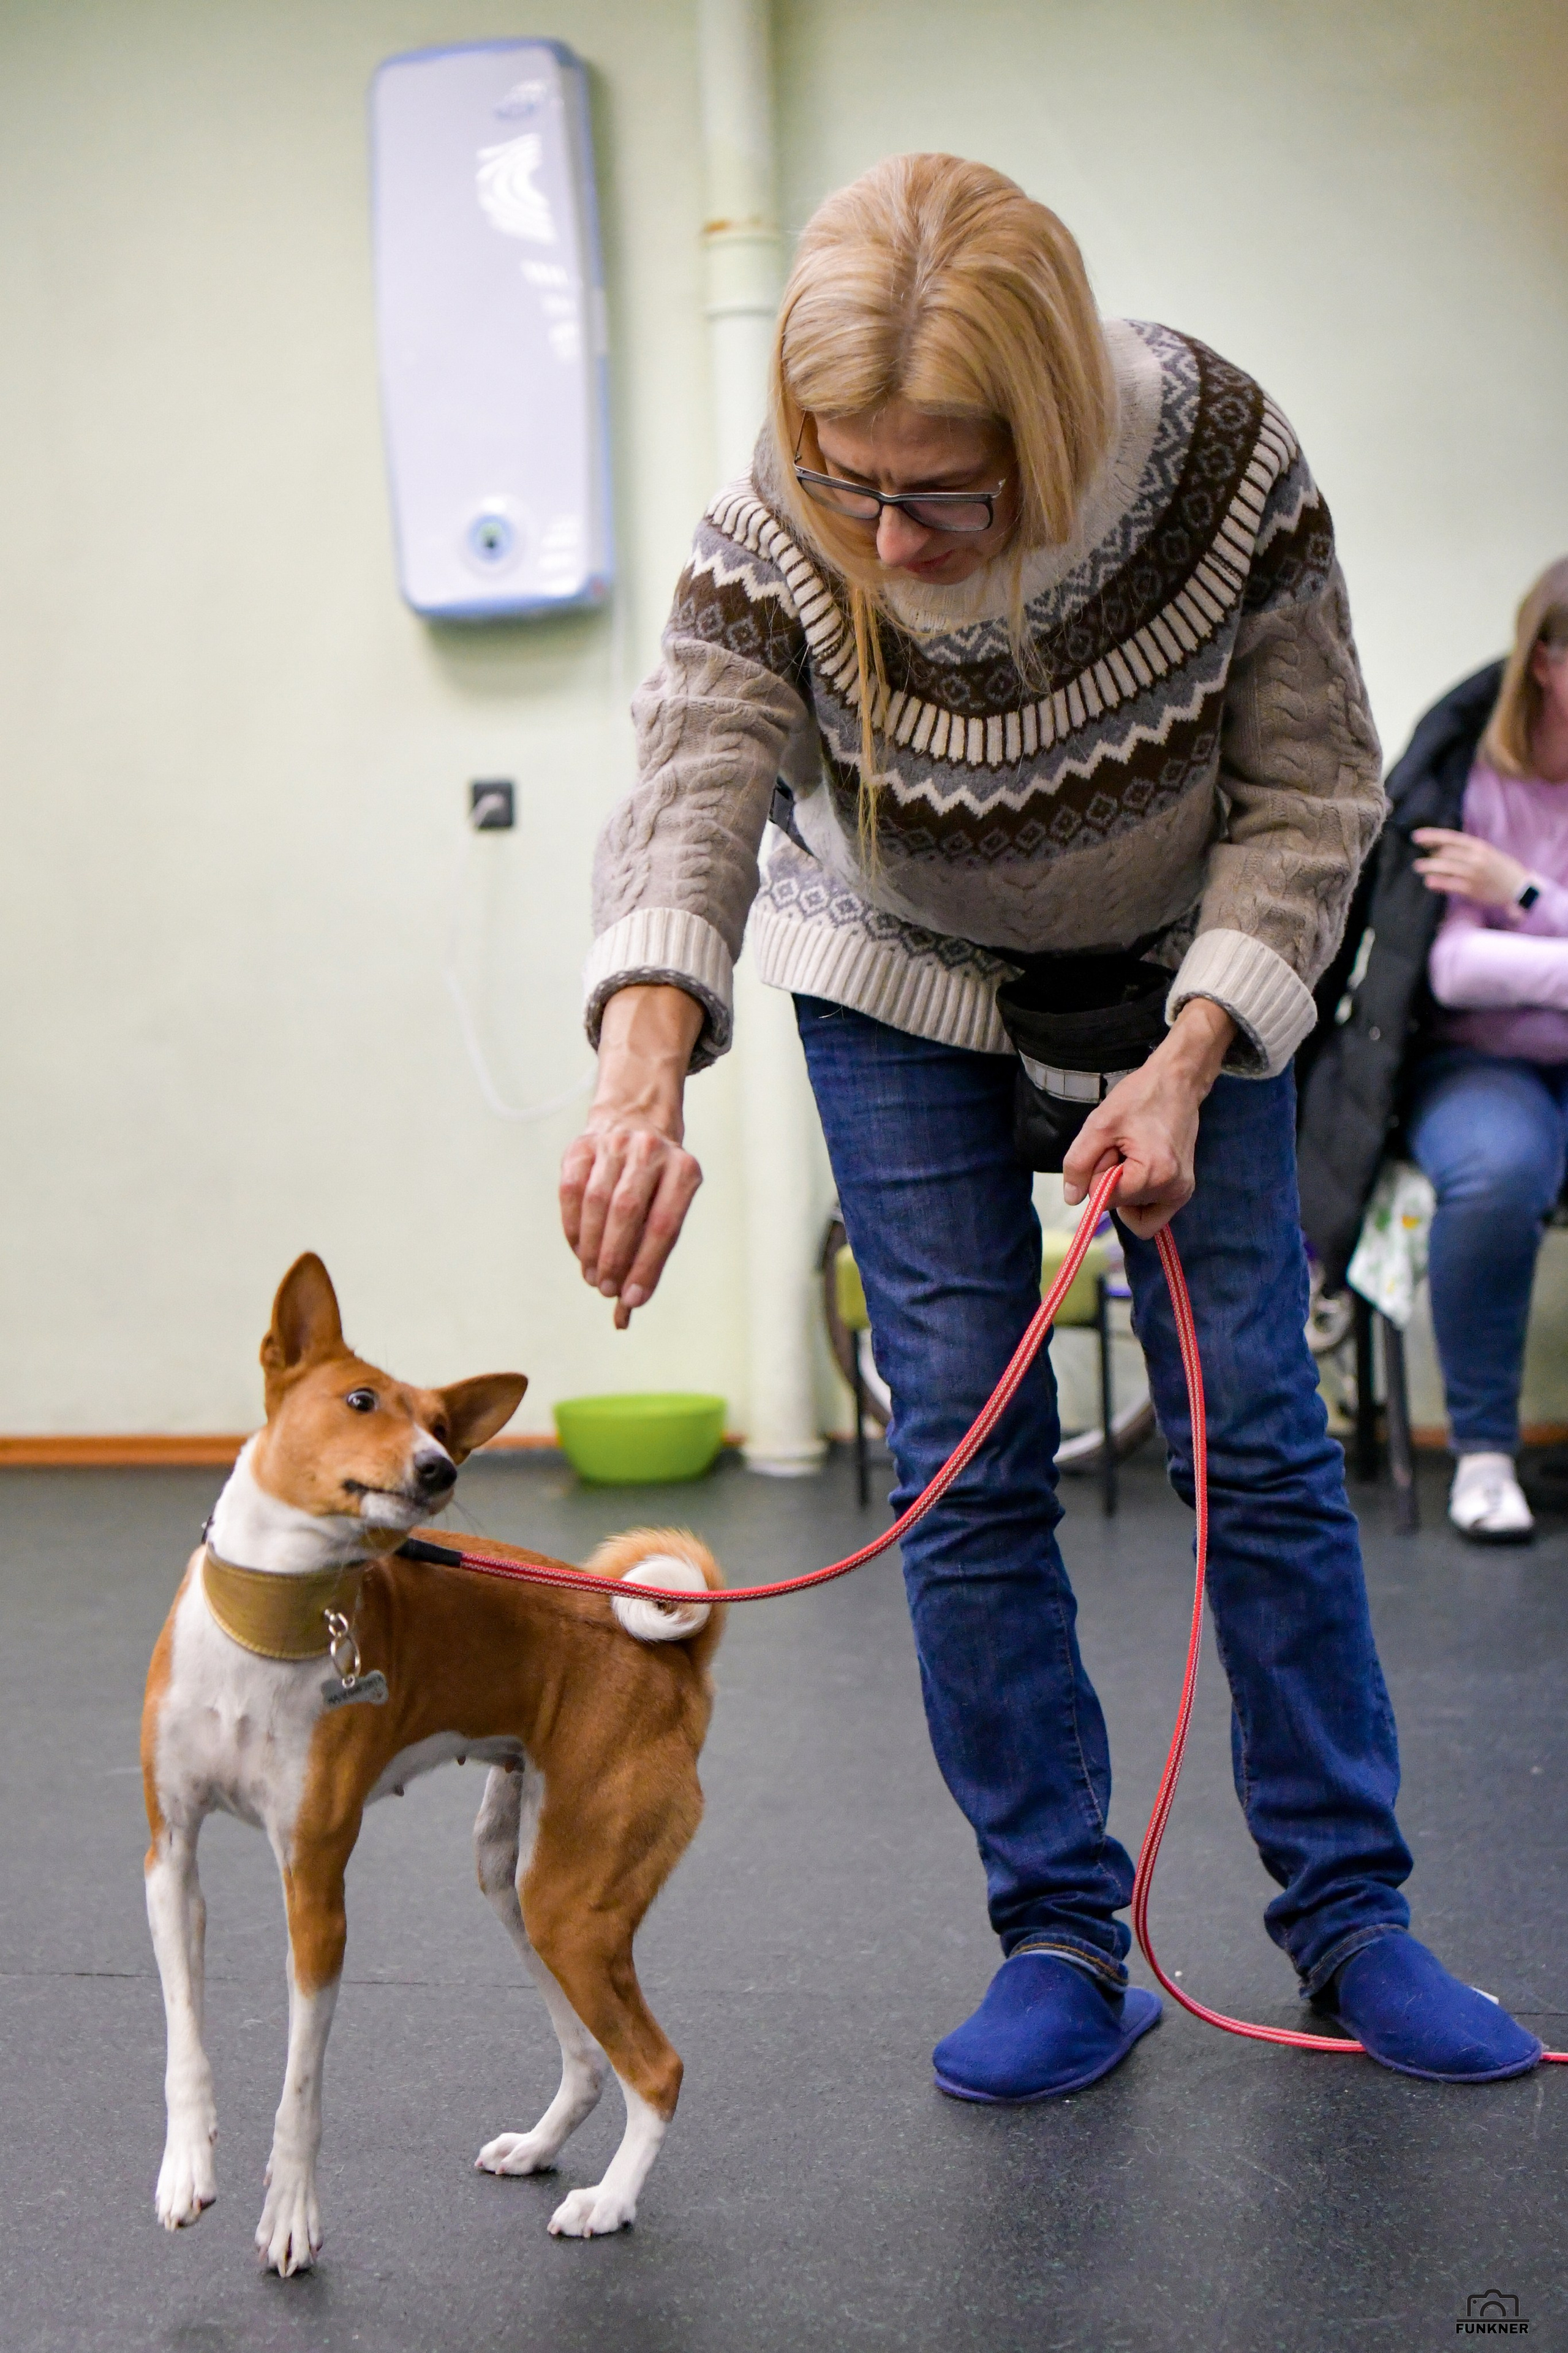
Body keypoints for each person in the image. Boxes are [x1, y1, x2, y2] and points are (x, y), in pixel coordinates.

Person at [562, 154, 1541, 2094]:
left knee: (1252, 1431)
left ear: (1061, 423)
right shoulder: (788, 516)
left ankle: (1353, 1921)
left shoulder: (1221, 464)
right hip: (898, 967)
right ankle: (1061, 1938)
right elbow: (697, 778)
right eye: (853, 483)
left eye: (942, 491)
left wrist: (1192, 1059)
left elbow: (1315, 794)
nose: (892, 540)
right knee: (964, 1436)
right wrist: (638, 1069)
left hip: (1186, 970)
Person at [1301, 560, 1568, 1542]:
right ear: (1547, 661)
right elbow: (1454, 971)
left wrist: (1524, 896)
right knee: (1496, 1174)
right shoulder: (1466, 774)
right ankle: (1487, 1455)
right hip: (1479, 1064)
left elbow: (1496, 946)